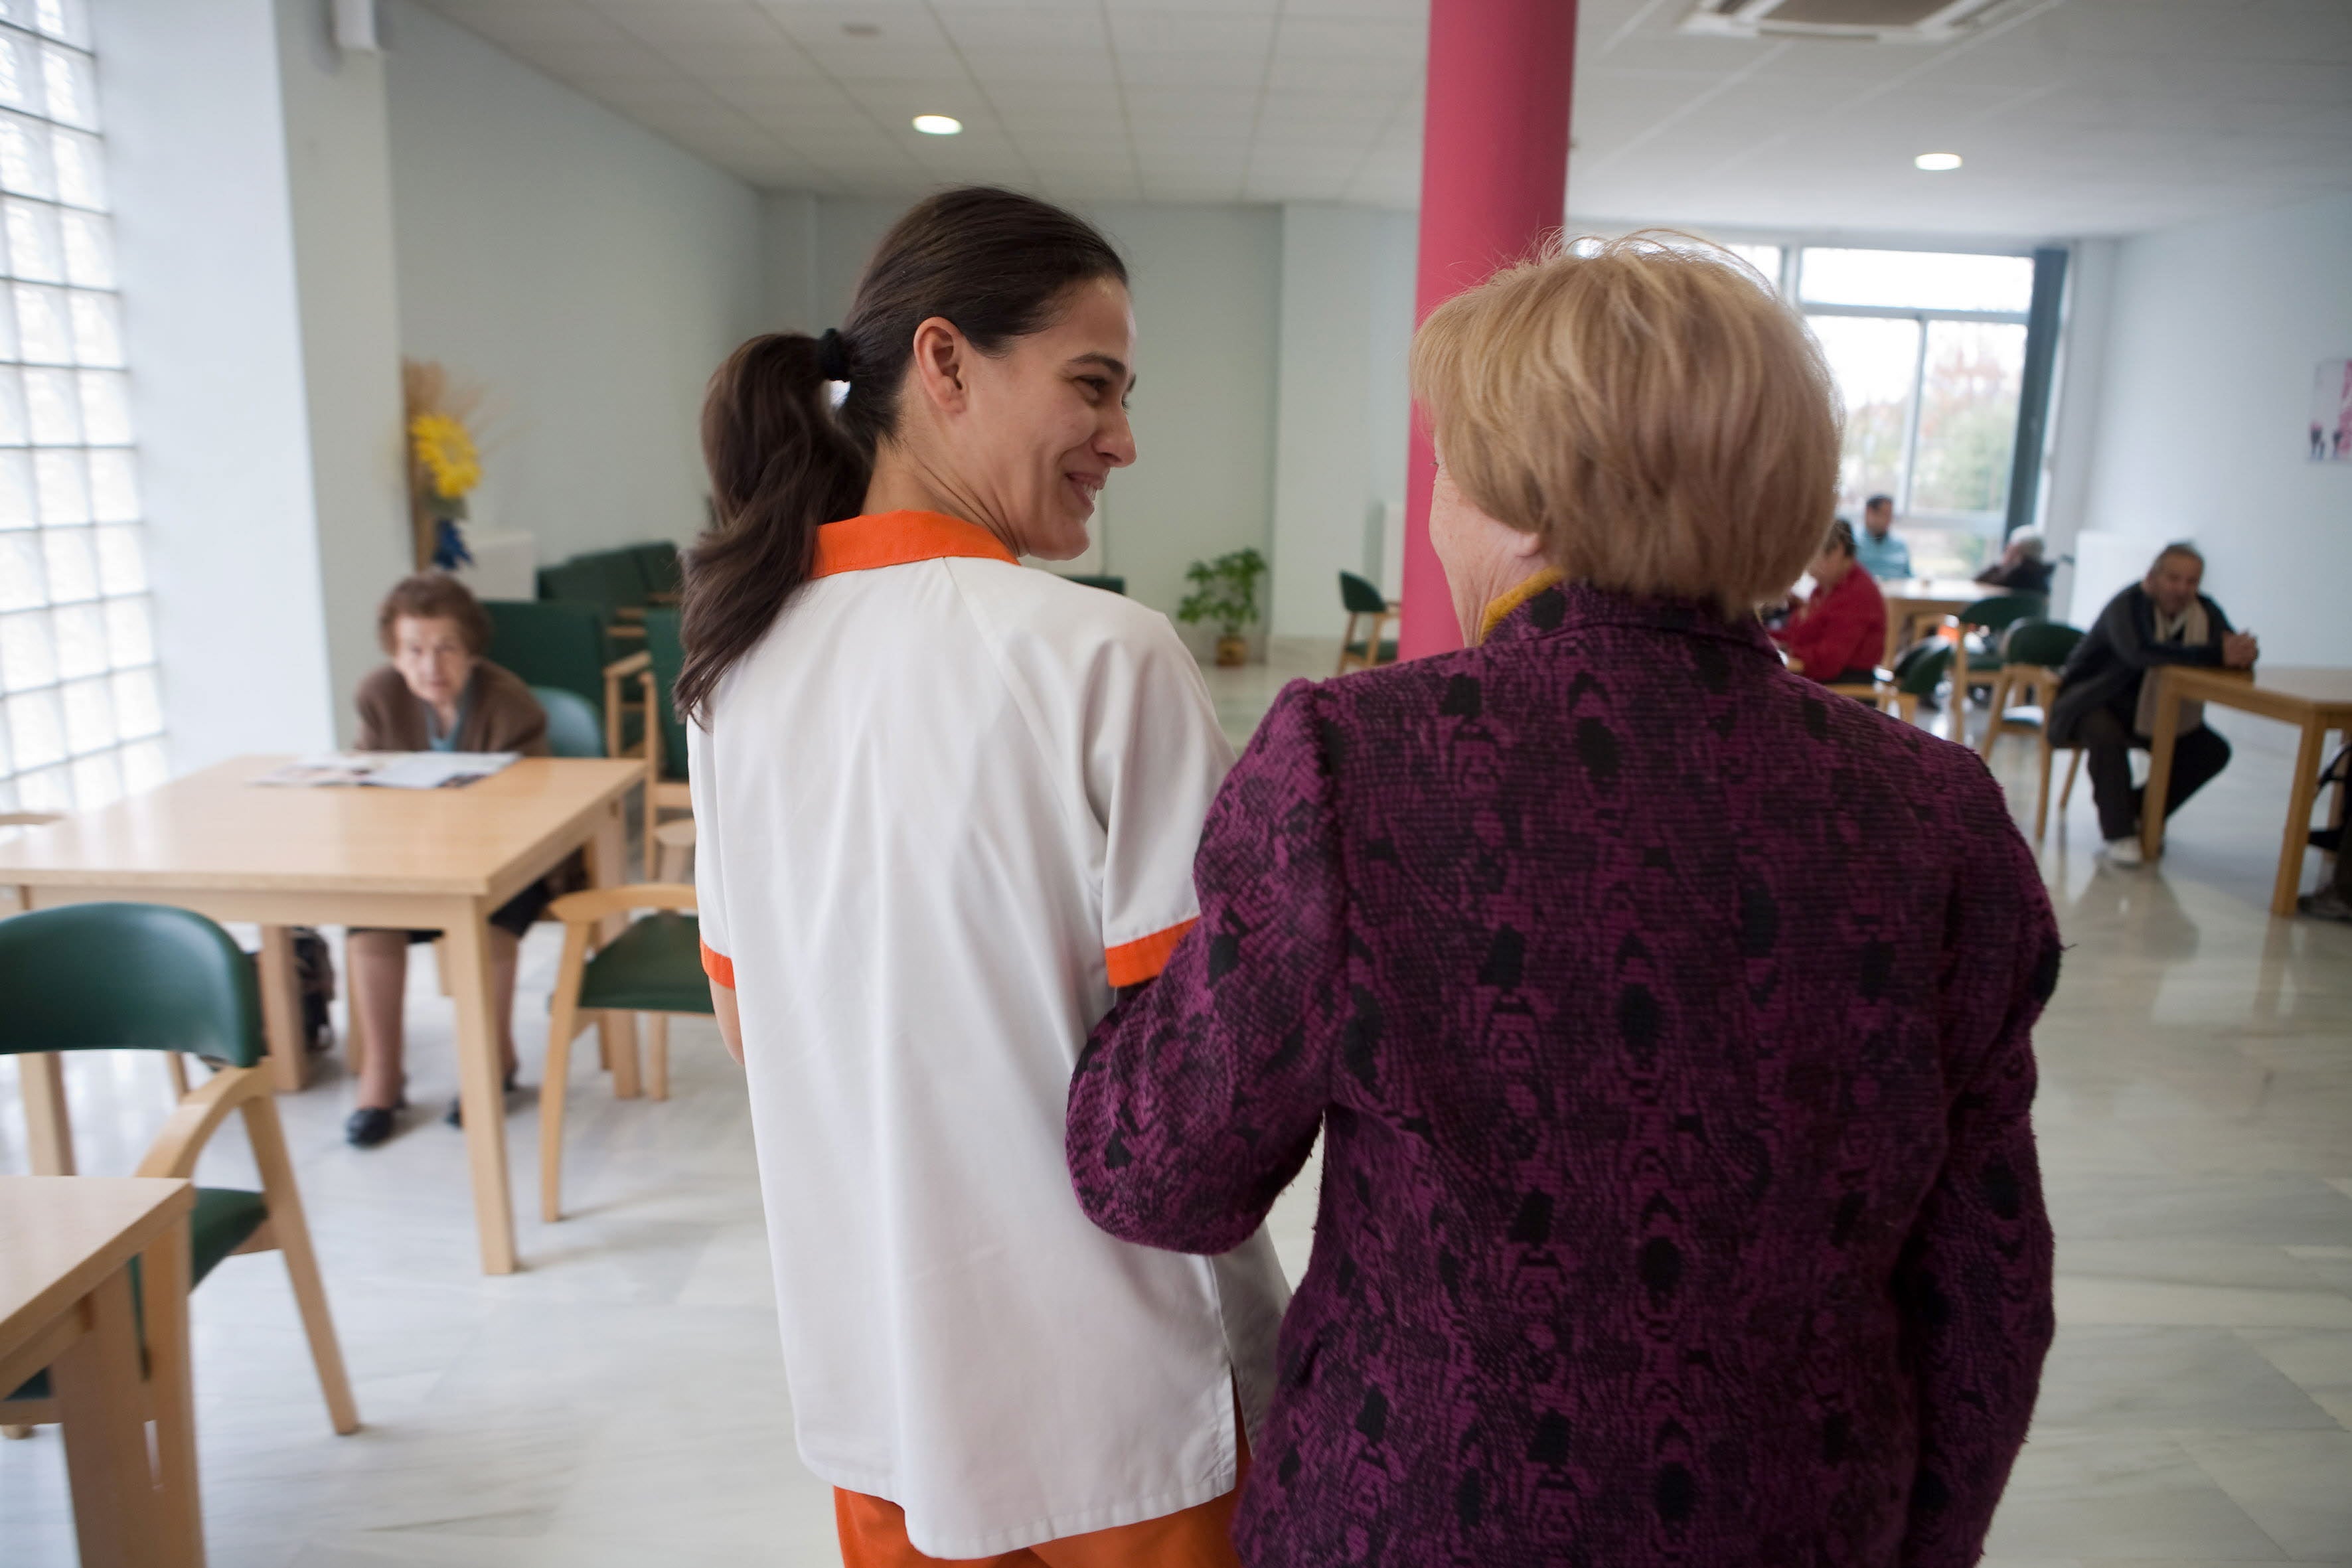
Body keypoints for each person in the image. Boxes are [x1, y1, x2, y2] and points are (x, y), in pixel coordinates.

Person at [1067, 234, 2061, 1567]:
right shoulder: (1937, 816)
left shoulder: (1353, 762)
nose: (1432, 512)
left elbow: (1164, 1174)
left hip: (1412, 1509)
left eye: (1445, 469)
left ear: (1530, 501)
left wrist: (1140, 979)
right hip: (1802, 1517)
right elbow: (1986, 1287)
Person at [680, 187, 1287, 1567]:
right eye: (1092, 385)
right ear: (943, 362)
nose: (1122, 439)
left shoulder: (730, 677)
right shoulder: (1100, 657)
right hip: (1131, 1416)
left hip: (883, 1399)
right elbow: (1209, 1096)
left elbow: (751, 1027)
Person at [345, 574, 550, 1148]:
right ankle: (382, 1077)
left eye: (446, 648)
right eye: (414, 650)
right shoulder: (379, 695)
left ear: (472, 650)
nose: (430, 665)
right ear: (394, 652)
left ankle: (492, 1061)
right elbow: (368, 786)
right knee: (370, 923)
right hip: (412, 862)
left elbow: (534, 803)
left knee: (487, 923)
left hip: (507, 862)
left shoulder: (509, 702)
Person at [2050, 542, 2256, 865]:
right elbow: (2141, 653)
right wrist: (2216, 655)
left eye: (2191, 582)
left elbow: (2228, 648)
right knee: (2104, 732)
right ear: (2153, 577)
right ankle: (2118, 832)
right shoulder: (2128, 604)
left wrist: (2243, 654)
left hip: (2154, 709)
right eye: (2174, 579)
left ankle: (2139, 810)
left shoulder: (2205, 611)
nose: (2182, 589)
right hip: (2094, 698)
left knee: (2212, 751)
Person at [1772, 517, 1887, 685]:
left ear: (1838, 551)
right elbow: (1801, 636)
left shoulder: (1857, 594)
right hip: (1820, 678)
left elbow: (1827, 663)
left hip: (1843, 687)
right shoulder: (1825, 587)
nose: (1807, 568)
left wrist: (1786, 649)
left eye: (1811, 557)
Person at [1853, 492, 1911, 580]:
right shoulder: (1852, 541)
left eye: (1891, 515)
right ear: (1869, 513)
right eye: (1885, 514)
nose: (1889, 520)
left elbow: (1909, 576)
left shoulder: (1900, 544)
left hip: (1897, 591)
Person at [1976, 531, 2053, 595]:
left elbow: (1978, 582)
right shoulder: (2042, 579)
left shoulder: (2013, 577)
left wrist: (2001, 565)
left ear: (2016, 550)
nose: (2007, 549)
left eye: (2010, 548)